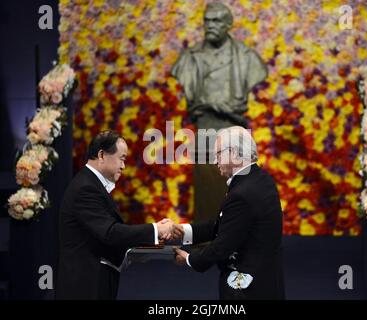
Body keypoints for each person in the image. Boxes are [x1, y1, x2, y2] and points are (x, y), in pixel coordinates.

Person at [56, 131, 182, 300]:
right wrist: (156, 229)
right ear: (101, 155)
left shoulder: (90, 184)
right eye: (121, 158)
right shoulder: (86, 188)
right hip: (85, 286)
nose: (124, 166)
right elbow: (110, 233)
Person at [171, 2, 268, 222]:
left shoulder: (247, 58)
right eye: (207, 20)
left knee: (237, 198)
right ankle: (207, 245)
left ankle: (231, 242)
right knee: (207, 198)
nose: (210, 25)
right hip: (205, 134)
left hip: (234, 134)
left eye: (216, 21)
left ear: (228, 25)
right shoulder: (188, 59)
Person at [174, 127, 285, 300]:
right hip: (267, 282)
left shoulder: (242, 193)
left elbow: (222, 247)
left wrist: (190, 259)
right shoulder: (261, 178)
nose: (214, 160)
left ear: (234, 153)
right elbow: (228, 224)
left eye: (218, 153)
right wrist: (183, 231)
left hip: (247, 291)